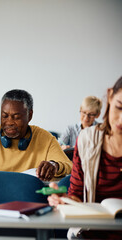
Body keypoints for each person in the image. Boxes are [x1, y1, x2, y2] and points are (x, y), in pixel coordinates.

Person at [48, 77, 122, 239]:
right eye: (119, 107)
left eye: (91, 115)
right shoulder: (87, 140)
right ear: (110, 96)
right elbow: (77, 197)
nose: (121, 120)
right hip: (92, 233)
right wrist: (66, 200)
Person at [0, 89, 72, 181]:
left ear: (29, 115)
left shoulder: (45, 138)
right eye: (4, 116)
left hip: (29, 198)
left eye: (16, 117)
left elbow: (69, 166)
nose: (9, 122)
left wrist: (55, 165)